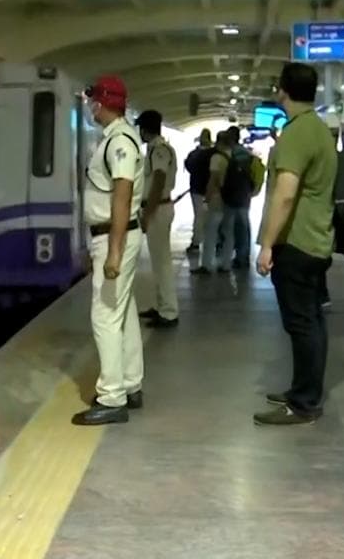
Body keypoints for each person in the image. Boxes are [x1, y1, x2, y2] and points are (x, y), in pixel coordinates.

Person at [255, 62, 336, 426]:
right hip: (316, 239)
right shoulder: (318, 129)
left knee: (301, 324)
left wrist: (268, 244)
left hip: (297, 243)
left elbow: (285, 195)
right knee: (312, 321)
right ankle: (304, 389)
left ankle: (304, 402)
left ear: (282, 90)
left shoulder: (297, 133)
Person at [72, 76, 145, 426]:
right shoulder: (117, 138)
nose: (89, 107)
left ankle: (112, 397)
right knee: (124, 313)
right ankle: (130, 385)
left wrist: (113, 253)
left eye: (92, 101)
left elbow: (122, 195)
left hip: (116, 236)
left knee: (105, 316)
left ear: (100, 104)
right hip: (115, 235)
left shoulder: (120, 143)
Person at [135, 109, 179, 329]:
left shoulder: (158, 151)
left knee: (162, 262)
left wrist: (147, 214)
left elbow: (159, 181)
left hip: (158, 209)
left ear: (145, 129)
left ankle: (169, 312)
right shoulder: (157, 149)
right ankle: (162, 306)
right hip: (159, 208)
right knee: (159, 261)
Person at [192, 131, 235, 274]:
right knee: (228, 232)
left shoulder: (217, 157)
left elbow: (213, 179)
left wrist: (206, 199)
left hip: (217, 198)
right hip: (231, 198)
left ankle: (207, 265)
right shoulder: (235, 155)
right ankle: (226, 264)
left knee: (210, 232)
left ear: (218, 142)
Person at [226, 126, 256, 268]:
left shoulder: (239, 153)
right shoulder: (242, 152)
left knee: (241, 226)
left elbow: (240, 174)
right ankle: (241, 255)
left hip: (239, 194)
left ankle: (242, 257)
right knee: (240, 225)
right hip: (242, 193)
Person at [184, 129, 214, 253]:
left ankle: (196, 242)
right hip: (211, 190)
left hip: (196, 189)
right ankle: (212, 242)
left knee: (198, 216)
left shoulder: (193, 154)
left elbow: (188, 166)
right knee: (211, 217)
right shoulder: (214, 154)